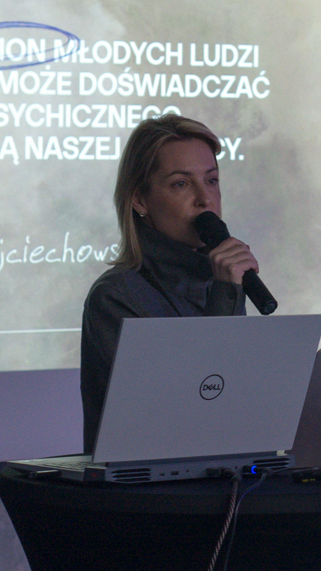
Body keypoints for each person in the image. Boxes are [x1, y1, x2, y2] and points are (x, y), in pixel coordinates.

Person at [79, 114, 262, 453]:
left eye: (212, 180)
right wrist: (225, 296)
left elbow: (234, 407)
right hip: (148, 484)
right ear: (140, 200)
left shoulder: (220, 280)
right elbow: (188, 410)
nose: (205, 199)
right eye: (181, 184)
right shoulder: (116, 297)